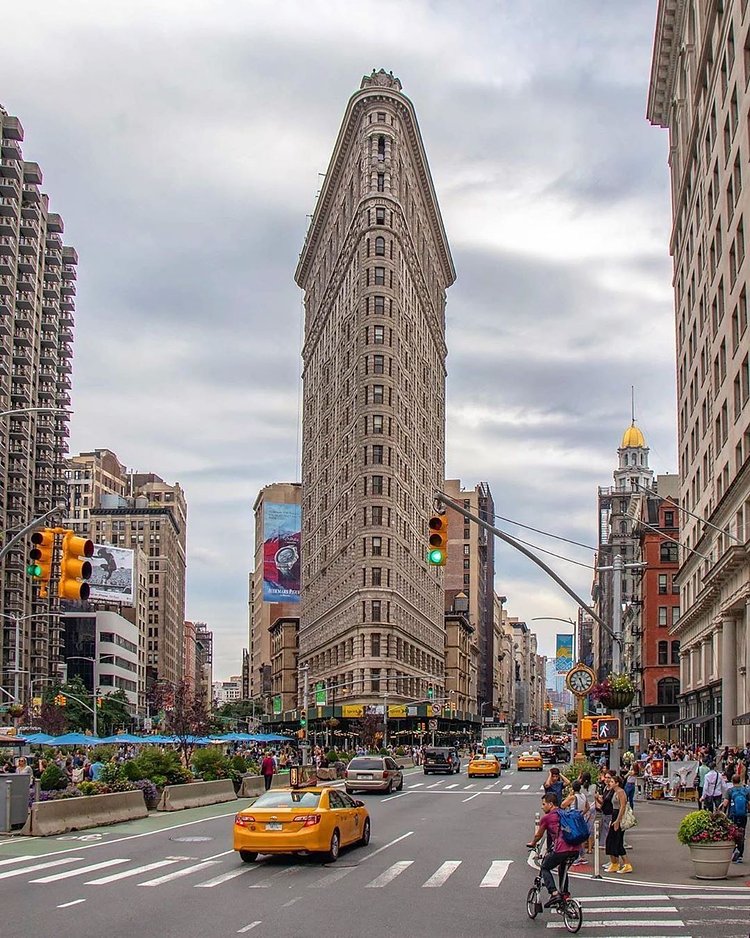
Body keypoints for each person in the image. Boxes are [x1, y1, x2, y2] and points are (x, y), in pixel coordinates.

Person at [526, 793, 579, 907]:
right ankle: (565, 894)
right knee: (563, 869)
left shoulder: (547, 817)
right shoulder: (565, 813)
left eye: (544, 804)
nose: (542, 807)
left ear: (550, 804)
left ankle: (554, 893)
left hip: (561, 849)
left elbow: (538, 835)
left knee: (545, 866)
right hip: (575, 849)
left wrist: (533, 843)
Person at [604, 774, 632, 874]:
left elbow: (622, 807)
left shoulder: (620, 792)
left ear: (617, 783)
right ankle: (614, 863)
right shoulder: (614, 792)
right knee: (611, 841)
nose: (610, 783)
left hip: (618, 817)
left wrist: (617, 821)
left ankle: (626, 864)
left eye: (612, 782)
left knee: (617, 841)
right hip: (614, 816)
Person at [562, 780, 590, 867]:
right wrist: (582, 813)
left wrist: (569, 795)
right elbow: (588, 807)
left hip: (573, 819)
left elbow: (562, 805)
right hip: (581, 817)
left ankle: (576, 857)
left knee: (574, 837)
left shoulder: (573, 797)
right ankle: (582, 856)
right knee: (580, 837)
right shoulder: (583, 796)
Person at [722, 773, 748, 863]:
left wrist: (723, 813)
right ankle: (740, 855)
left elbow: (725, 804)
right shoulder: (745, 790)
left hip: (732, 815)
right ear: (740, 780)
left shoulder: (730, 791)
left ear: (732, 781)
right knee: (741, 833)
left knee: (732, 833)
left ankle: (733, 852)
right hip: (743, 815)